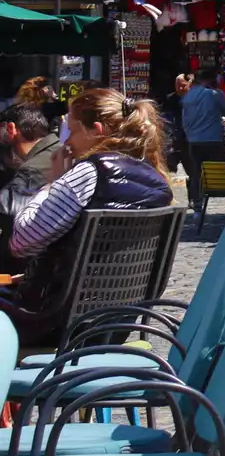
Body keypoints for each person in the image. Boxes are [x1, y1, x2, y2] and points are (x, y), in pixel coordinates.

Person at [3, 89, 172, 345]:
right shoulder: (156, 178)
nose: (66, 142)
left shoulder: (90, 171)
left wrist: (52, 184)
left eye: (71, 131)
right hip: (113, 321)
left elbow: (23, 241)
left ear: (95, 130)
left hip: (56, 322)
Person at [0, 103, 58, 269]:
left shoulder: (33, 169)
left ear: (10, 129)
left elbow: (5, 211)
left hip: (34, 267)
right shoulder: (60, 152)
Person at [180, 68, 225, 214]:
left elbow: (184, 120)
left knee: (197, 173)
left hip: (194, 140)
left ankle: (197, 203)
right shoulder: (214, 94)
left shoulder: (188, 97)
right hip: (213, 139)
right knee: (220, 171)